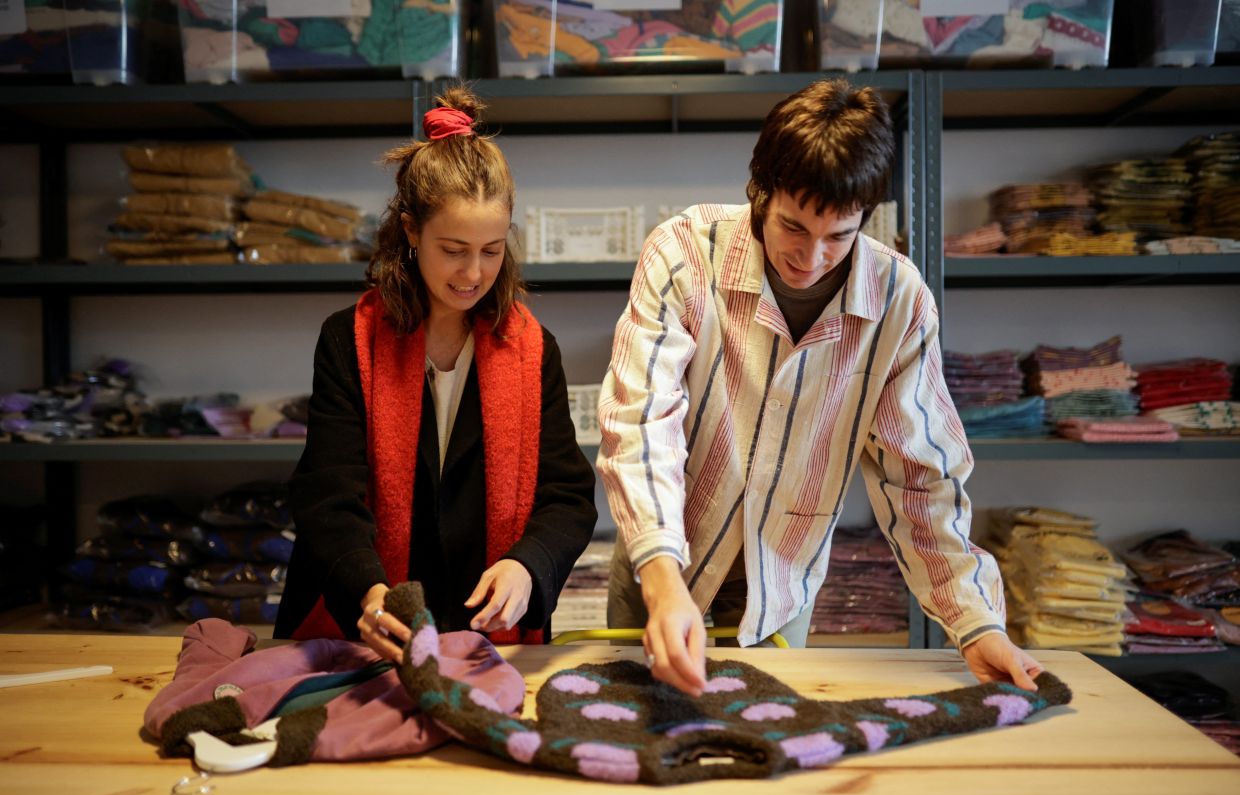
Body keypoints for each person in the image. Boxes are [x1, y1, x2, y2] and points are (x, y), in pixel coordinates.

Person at [597, 78, 1042, 697]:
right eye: (793, 228)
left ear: (866, 217)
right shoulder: (684, 254)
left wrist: (976, 623)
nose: (810, 257)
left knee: (771, 752)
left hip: (780, 587)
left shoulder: (898, 301)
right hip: (661, 563)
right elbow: (641, 419)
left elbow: (919, 479)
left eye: (839, 236)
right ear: (761, 192)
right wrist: (663, 578)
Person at [275, 87, 597, 660]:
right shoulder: (348, 340)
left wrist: (528, 567)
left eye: (492, 250)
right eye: (454, 249)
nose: (474, 273)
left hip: (489, 632)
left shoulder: (532, 348)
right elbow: (328, 493)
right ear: (410, 232)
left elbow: (567, 496)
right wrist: (367, 594)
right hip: (363, 626)